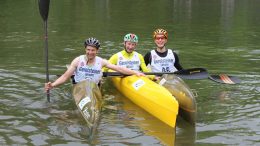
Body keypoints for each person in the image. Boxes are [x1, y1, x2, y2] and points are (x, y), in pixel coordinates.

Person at [45, 37, 144, 91]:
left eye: (93, 50)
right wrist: (52, 85)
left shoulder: (101, 61)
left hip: (94, 90)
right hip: (80, 89)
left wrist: (135, 73)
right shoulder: (78, 61)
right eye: (88, 50)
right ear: (85, 49)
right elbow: (65, 77)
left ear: (97, 51)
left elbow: (119, 69)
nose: (90, 52)